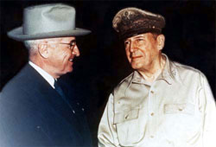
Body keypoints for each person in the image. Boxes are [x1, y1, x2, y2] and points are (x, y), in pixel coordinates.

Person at [98, 7, 216, 147]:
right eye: (127, 43)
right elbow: (106, 143)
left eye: (139, 40)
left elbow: (211, 136)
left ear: (159, 42)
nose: (131, 49)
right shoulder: (119, 94)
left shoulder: (193, 81)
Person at [0, 3, 93, 147]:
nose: (77, 52)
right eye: (71, 44)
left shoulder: (65, 85)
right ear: (44, 49)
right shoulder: (15, 99)